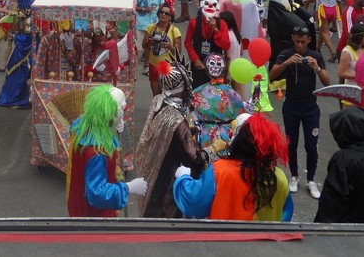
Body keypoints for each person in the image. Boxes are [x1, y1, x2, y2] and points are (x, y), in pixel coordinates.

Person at [173, 113, 292, 221]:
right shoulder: (280, 178)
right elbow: (285, 216)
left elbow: (195, 204)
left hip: (225, 243)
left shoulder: (219, 171)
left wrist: (183, 178)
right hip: (265, 243)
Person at [135, 60, 209, 218]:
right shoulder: (176, 121)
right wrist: (212, 150)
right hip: (168, 190)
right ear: (182, 88)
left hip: (154, 177)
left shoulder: (158, 101)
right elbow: (195, 160)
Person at [66, 85, 147, 216]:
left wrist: (113, 125)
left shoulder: (82, 124)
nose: (124, 107)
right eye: (121, 108)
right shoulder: (96, 152)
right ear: (109, 114)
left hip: (78, 198)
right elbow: (97, 193)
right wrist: (128, 187)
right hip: (93, 216)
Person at [270, 24, 330, 199]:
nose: (300, 46)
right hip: (291, 106)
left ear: (309, 40)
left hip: (311, 107)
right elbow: (272, 75)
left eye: (303, 42)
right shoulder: (286, 54)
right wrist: (287, 63)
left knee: (311, 146)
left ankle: (311, 180)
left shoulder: (316, 56)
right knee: (291, 143)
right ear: (292, 39)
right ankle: (294, 176)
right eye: (297, 41)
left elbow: (327, 82)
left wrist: (316, 68)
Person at [185, 0, 230, 88]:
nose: (210, 6)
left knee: (214, 95)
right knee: (196, 93)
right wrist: (195, 59)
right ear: (202, 4)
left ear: (217, 7)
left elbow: (226, 45)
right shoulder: (193, 22)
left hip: (215, 68)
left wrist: (216, 30)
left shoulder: (222, 24)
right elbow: (188, 43)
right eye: (207, 3)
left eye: (213, 5)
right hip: (198, 66)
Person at [135, 0, 164, 74]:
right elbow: (134, 6)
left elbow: (161, 2)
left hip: (154, 22)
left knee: (152, 45)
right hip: (142, 22)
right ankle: (137, 67)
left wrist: (161, 13)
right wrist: (144, 9)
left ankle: (148, 66)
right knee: (140, 46)